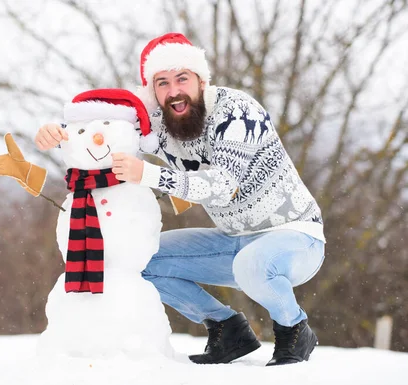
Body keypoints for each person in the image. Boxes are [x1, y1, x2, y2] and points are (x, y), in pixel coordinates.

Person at [34, 32, 325, 366]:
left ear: (201, 80)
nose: (173, 91)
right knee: (143, 261)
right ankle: (227, 328)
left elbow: (222, 186)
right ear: (152, 91)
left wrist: (147, 174)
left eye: (181, 79)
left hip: (296, 237)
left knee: (254, 265)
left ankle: (293, 329)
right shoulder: (157, 122)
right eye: (162, 83)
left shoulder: (237, 111)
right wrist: (58, 132)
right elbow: (104, 128)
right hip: (233, 240)